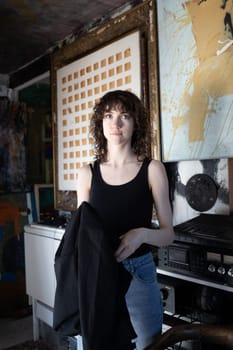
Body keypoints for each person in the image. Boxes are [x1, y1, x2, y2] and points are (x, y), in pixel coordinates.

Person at [77, 90, 174, 350]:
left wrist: (142, 234)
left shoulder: (153, 169)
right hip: (99, 274)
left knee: (147, 345)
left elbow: (168, 234)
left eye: (125, 116)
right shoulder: (87, 173)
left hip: (139, 272)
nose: (116, 124)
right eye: (109, 115)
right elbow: (82, 236)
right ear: (101, 122)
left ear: (135, 124)